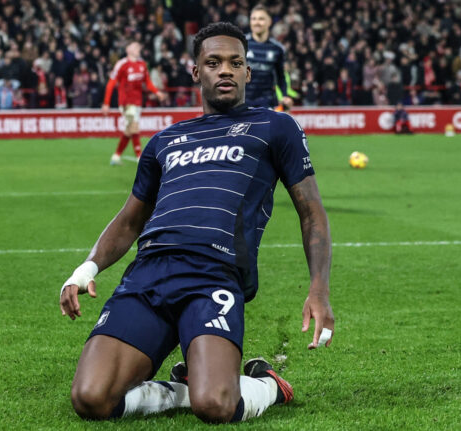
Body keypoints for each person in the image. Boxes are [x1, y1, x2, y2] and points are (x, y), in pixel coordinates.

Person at [59, 22, 334, 424]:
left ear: (247, 72)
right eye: (214, 62)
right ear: (196, 72)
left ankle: (269, 385)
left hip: (214, 275)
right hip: (148, 276)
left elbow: (311, 211)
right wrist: (86, 268)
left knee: (217, 406)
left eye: (235, 62)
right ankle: (183, 390)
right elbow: (130, 219)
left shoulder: (275, 127)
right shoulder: (165, 141)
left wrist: (319, 288)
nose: (225, 70)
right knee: (90, 398)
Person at [102, 42, 167, 165]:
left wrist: (157, 92)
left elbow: (147, 82)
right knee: (135, 127)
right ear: (128, 49)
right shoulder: (122, 64)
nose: (138, 49)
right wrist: (106, 103)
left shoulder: (142, 64)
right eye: (136, 47)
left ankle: (116, 157)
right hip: (126, 103)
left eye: (139, 47)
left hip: (137, 102)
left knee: (129, 130)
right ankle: (140, 157)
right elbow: (111, 83)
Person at [245, 5, 293, 110]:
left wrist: (285, 96)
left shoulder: (277, 48)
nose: (257, 22)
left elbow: (281, 77)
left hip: (267, 104)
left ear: (269, 22)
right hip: (243, 103)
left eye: (261, 19)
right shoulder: (241, 44)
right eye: (254, 19)